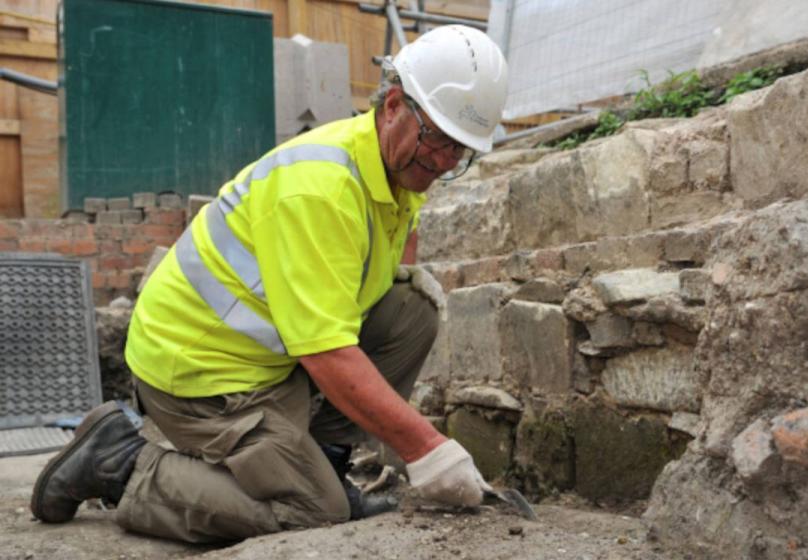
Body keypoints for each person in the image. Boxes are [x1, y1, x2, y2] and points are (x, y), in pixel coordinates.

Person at [30, 25, 509, 543]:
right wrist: (429, 451)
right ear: (393, 105)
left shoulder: (397, 168)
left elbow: (392, 249)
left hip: (260, 361)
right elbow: (327, 353)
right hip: (198, 373)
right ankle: (122, 461)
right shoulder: (320, 190)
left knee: (411, 308)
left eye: (460, 149)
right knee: (313, 511)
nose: (444, 161)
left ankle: (324, 463)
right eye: (437, 138)